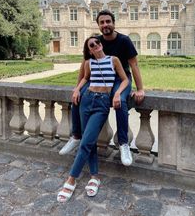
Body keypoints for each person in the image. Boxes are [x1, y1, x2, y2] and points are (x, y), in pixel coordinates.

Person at [59, 9, 145, 166]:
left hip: (120, 79)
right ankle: (76, 136)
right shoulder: (95, 41)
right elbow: (83, 67)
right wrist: (77, 88)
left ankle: (124, 144)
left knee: (121, 103)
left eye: (108, 21)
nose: (105, 25)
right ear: (98, 25)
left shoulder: (124, 40)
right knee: (78, 97)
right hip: (99, 79)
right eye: (102, 22)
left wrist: (140, 89)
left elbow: (134, 65)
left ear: (113, 23)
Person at [57, 36, 129, 202]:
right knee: (90, 142)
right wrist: (77, 89)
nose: (96, 45)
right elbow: (85, 78)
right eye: (92, 45)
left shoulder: (114, 60)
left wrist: (117, 93)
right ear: (89, 50)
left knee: (86, 142)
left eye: (97, 43)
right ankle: (95, 176)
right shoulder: (88, 63)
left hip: (102, 102)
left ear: (101, 44)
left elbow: (124, 79)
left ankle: (71, 179)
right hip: (87, 100)